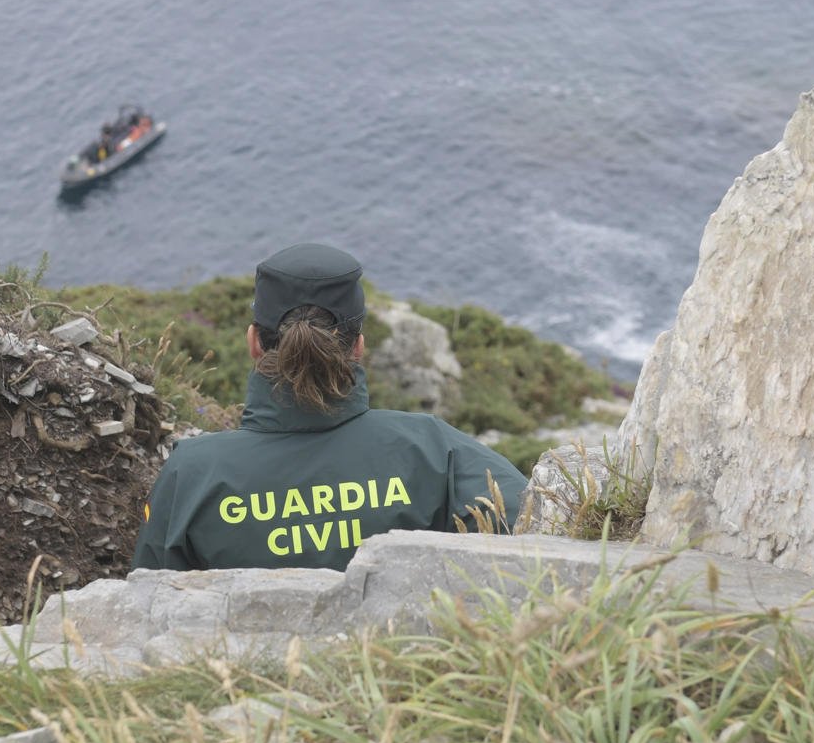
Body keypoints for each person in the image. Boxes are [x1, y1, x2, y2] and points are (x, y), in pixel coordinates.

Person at [133, 243, 530, 571]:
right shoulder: (434, 449)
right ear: (358, 347)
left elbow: (147, 605)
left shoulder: (191, 473)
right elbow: (537, 530)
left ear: (254, 342)